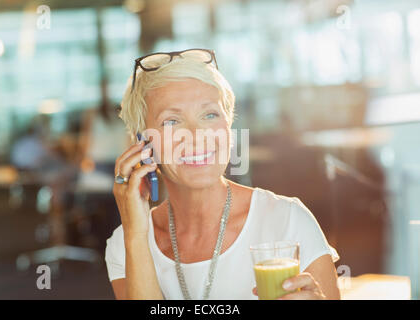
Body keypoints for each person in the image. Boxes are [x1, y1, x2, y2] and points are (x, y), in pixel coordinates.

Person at [105, 49, 340, 300]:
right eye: (171, 121)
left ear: (228, 127)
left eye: (210, 115)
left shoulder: (286, 220)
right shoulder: (126, 243)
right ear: (142, 143)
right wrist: (137, 235)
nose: (197, 135)